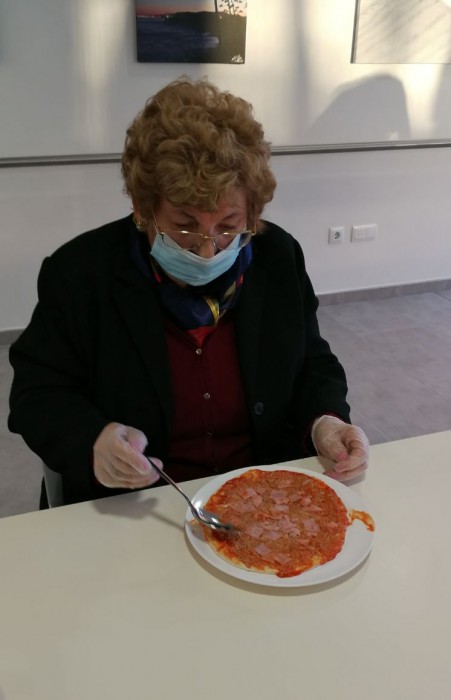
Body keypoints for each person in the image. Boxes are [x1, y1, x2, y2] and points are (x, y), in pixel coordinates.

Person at [8, 77, 369, 508]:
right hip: (140, 506)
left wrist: (325, 421)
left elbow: (311, 361)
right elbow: (38, 394)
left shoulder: (277, 258)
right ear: (142, 210)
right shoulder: (81, 274)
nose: (207, 249)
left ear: (252, 214)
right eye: (184, 227)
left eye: (228, 226)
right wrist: (94, 440)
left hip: (259, 497)